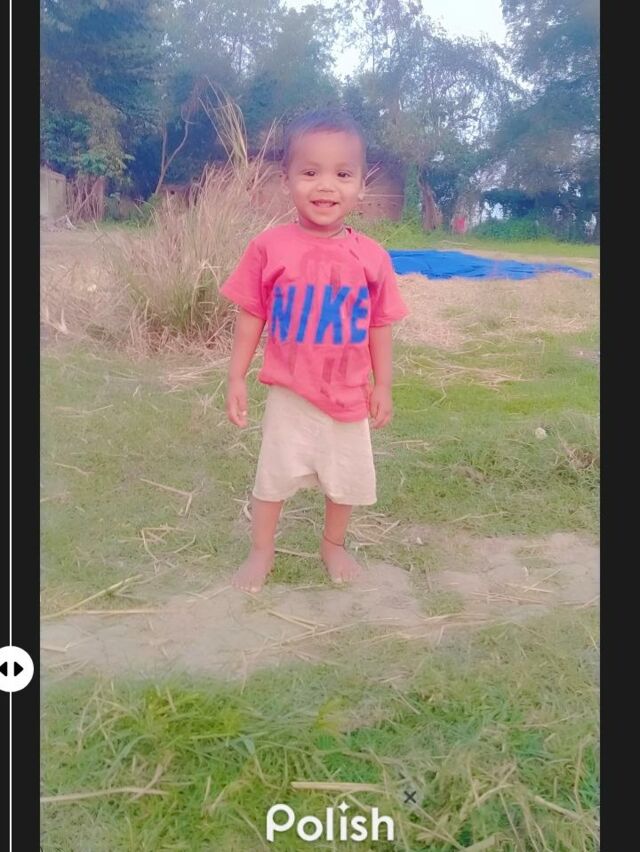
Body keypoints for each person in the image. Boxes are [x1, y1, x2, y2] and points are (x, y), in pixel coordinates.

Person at [221, 110, 408, 593]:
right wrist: (236, 376)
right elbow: (251, 314)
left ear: (361, 186)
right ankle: (262, 551)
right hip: (290, 392)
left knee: (345, 479)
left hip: (348, 394)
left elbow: (380, 324)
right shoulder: (268, 247)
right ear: (286, 180)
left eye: (342, 174)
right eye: (310, 172)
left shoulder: (373, 257)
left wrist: (384, 385)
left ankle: (333, 545)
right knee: (273, 477)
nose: (326, 186)